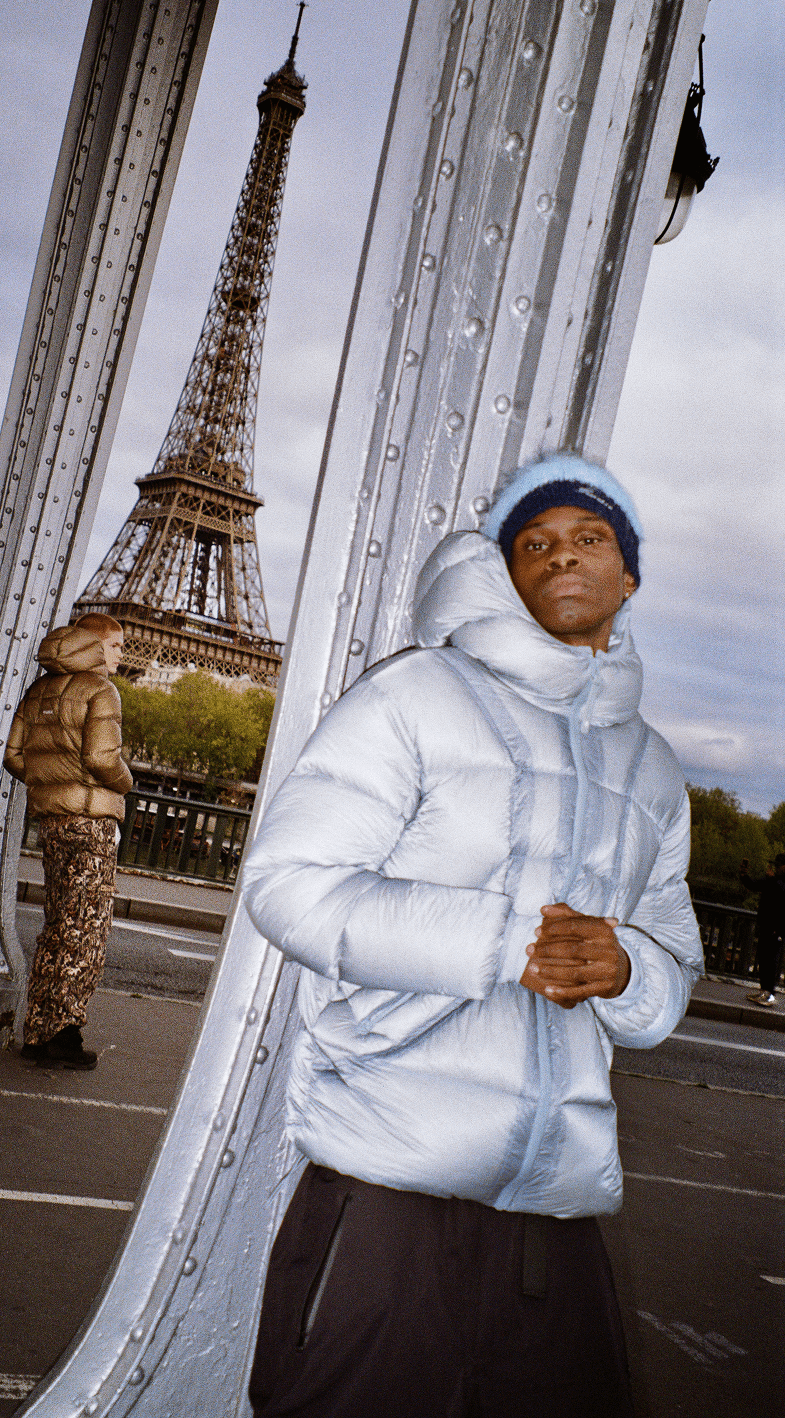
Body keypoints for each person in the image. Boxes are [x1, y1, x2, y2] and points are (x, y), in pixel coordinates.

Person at [242, 453, 703, 1418]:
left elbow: (674, 958)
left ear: (629, 576)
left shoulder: (656, 769)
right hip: (386, 1200)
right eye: (534, 543)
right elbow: (290, 886)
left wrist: (627, 970)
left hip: (556, 1221)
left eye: (589, 538)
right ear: (507, 574)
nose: (561, 556)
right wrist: (505, 943)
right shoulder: (414, 696)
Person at [4, 612, 133, 1070]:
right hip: (92, 822)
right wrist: (126, 783)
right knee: (87, 928)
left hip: (54, 823)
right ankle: (64, 1035)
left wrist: (51, 782)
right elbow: (102, 758)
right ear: (94, 646)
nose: (121, 655)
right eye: (116, 646)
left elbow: (13, 755)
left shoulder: (40, 689)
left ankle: (39, 1030)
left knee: (59, 923)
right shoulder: (101, 690)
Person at [739, 853, 785, 1005]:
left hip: (777, 929)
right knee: (764, 960)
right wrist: (744, 875)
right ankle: (764, 990)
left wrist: (772, 879)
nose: (776, 868)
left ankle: (770, 994)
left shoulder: (778, 882)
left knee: (771, 961)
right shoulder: (773, 880)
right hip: (766, 926)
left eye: (779, 865)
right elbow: (753, 885)